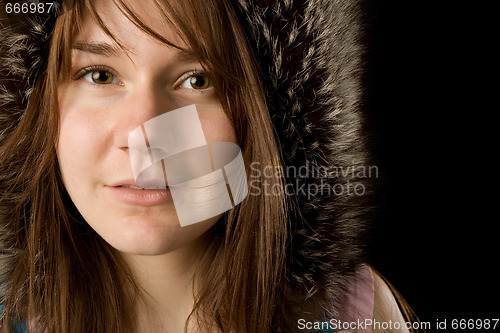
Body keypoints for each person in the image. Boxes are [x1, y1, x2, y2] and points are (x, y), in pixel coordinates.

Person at [0, 0, 421, 332]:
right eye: (99, 75)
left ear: (271, 121)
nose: (145, 136)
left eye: (198, 80)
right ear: (33, 111)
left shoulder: (353, 317)